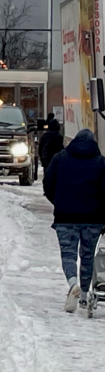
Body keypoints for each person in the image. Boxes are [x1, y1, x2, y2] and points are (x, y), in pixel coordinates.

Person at [43, 128, 105, 313]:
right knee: (87, 256)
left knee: (68, 255)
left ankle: (72, 285)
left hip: (65, 218)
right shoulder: (101, 162)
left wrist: (59, 203)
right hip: (93, 219)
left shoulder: (60, 158)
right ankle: (85, 295)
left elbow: (48, 184)